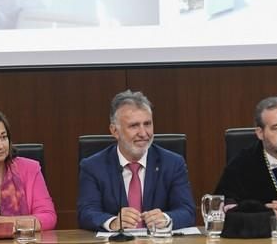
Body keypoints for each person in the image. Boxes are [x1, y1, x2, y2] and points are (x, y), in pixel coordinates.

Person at [77, 90, 196, 232]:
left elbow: (187, 211)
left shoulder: (172, 163)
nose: (143, 133)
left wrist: (165, 218)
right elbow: (86, 213)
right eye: (134, 126)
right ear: (115, 131)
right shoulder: (93, 166)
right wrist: (113, 222)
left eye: (147, 124)